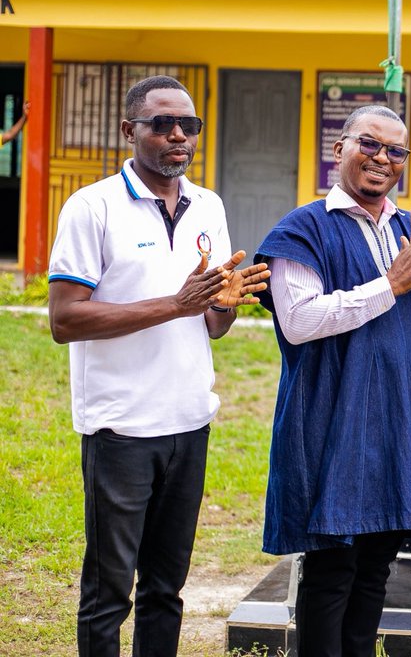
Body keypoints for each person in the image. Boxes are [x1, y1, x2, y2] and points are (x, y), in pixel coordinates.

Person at [46, 74, 269, 657]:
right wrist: (176, 304)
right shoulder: (92, 207)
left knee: (166, 590)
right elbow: (65, 319)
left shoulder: (209, 206)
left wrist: (226, 302)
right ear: (129, 130)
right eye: (162, 124)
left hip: (189, 422)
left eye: (188, 125)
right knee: (108, 592)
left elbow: (212, 323)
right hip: (121, 427)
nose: (178, 136)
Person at [256, 104, 411, 657]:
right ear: (340, 149)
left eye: (395, 150)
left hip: (399, 412)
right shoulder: (303, 228)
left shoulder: (410, 228)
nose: (382, 158)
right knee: (332, 566)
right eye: (370, 144)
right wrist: (392, 282)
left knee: (377, 563)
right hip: (332, 413)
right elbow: (299, 321)